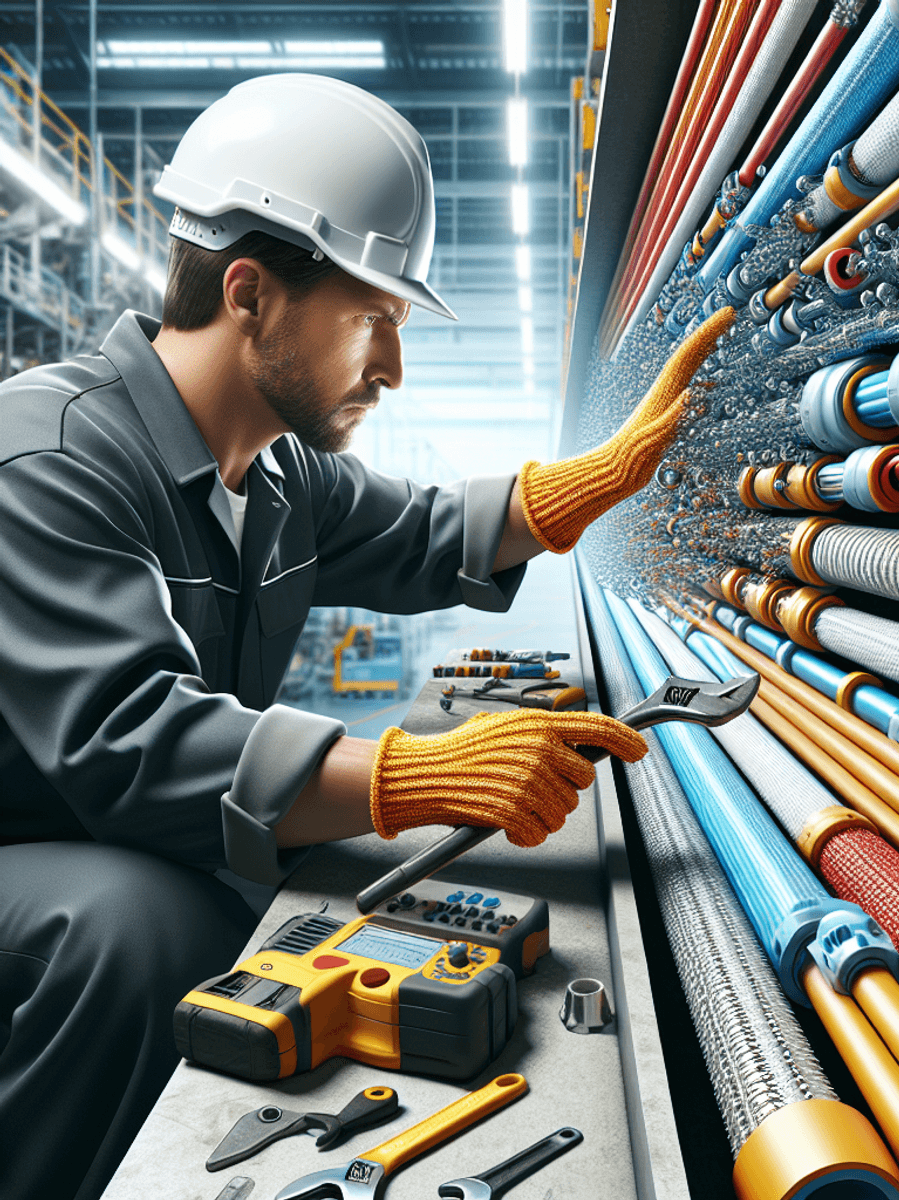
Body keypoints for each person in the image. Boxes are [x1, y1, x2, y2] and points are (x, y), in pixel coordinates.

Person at [0, 73, 734, 1200]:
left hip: (114, 828)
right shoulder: (47, 456)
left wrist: (589, 483)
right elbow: (128, 736)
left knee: (281, 904)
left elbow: (421, 532)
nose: (392, 368)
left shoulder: (281, 473)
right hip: (34, 852)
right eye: (373, 321)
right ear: (249, 295)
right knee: (139, 931)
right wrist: (411, 771)